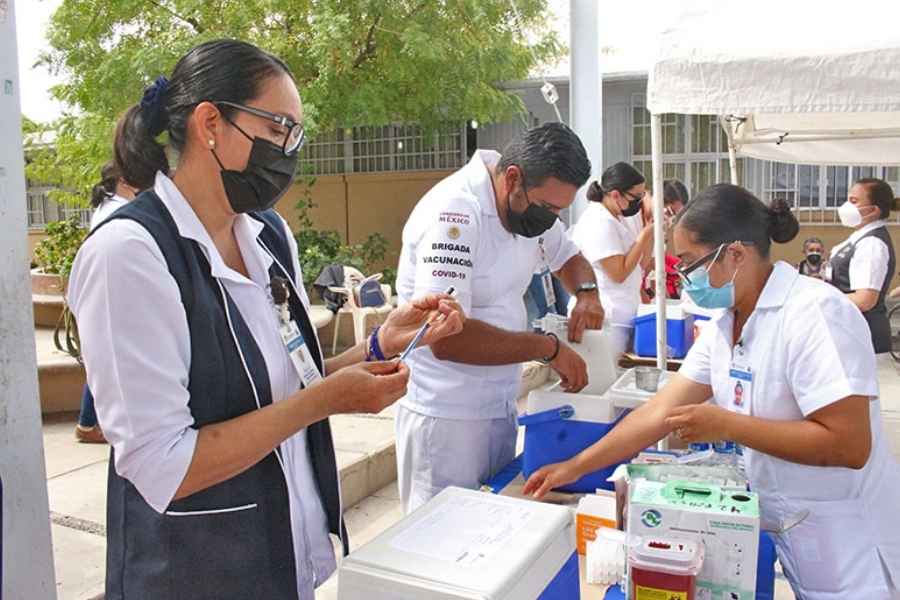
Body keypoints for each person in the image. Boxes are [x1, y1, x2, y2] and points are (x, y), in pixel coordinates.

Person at [67, 39, 464, 600]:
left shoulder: (267, 235)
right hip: (194, 574)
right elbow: (162, 465)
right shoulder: (131, 254)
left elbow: (287, 378)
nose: (289, 150)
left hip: (283, 555)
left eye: (295, 134)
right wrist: (324, 402)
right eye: (279, 128)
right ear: (211, 123)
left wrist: (379, 344)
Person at [524, 184, 900, 599]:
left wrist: (728, 425)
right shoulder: (727, 323)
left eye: (689, 263)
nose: (685, 279)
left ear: (735, 255)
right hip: (796, 531)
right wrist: (575, 466)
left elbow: (849, 444)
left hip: (854, 544)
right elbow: (658, 413)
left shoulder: (817, 314)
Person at [394, 122, 604, 513]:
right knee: (441, 545)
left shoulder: (530, 206)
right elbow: (446, 338)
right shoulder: (455, 213)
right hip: (447, 418)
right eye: (547, 208)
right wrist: (548, 349)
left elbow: (570, 258)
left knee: (488, 536)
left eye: (559, 211)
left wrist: (588, 295)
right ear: (512, 178)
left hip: (498, 405)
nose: (550, 219)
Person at [75, 153, 150, 444]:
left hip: (109, 295)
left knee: (103, 362)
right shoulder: (117, 213)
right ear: (123, 180)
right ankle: (87, 423)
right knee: (107, 364)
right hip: (113, 296)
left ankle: (89, 422)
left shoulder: (112, 207)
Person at [569, 162, 652, 355]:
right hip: (605, 316)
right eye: (636, 197)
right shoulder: (599, 221)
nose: (639, 202)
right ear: (615, 194)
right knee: (602, 379)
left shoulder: (617, 216)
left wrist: (650, 230)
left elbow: (640, 264)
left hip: (621, 315)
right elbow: (618, 273)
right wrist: (645, 235)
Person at [829, 178, 897, 356]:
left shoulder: (872, 243)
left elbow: (865, 300)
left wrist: (822, 299)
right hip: (849, 334)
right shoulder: (859, 237)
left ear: (873, 210)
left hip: (863, 338)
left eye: (854, 201)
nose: (846, 206)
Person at [641, 178, 690, 301]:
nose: (669, 218)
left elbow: (652, 259)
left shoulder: (658, 224)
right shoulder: (635, 218)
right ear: (657, 200)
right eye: (669, 212)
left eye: (674, 215)